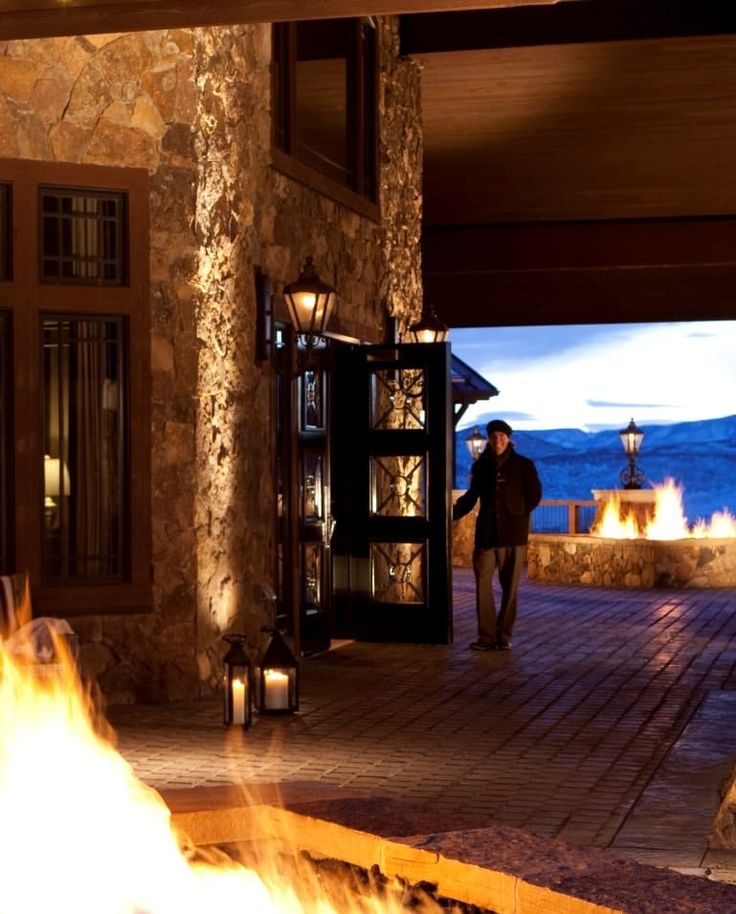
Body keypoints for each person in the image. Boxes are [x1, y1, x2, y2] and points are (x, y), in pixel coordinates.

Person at [453, 419, 542, 651]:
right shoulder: (481, 466)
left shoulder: (524, 465)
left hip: (514, 535)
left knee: (510, 590)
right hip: (486, 534)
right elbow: (472, 496)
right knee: (483, 586)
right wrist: (449, 514)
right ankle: (486, 638)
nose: (497, 440)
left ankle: (504, 637)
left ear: (509, 438)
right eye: (493, 436)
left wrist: (519, 513)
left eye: (501, 436)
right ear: (489, 439)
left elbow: (534, 495)